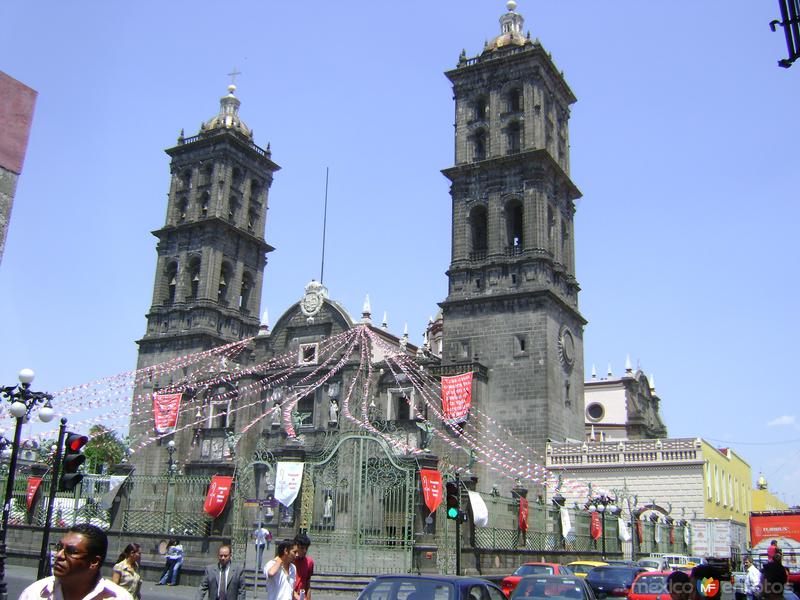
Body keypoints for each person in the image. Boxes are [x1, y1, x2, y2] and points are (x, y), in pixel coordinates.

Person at [19, 523, 133, 600]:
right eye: (59, 548)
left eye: (71, 551)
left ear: (94, 562)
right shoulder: (35, 593)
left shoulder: (119, 597)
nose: (59, 555)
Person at [293, 533, 314, 600]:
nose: (305, 551)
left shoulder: (309, 562)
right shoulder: (289, 561)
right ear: (296, 546)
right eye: (302, 548)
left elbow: (307, 582)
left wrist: (308, 598)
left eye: (306, 548)